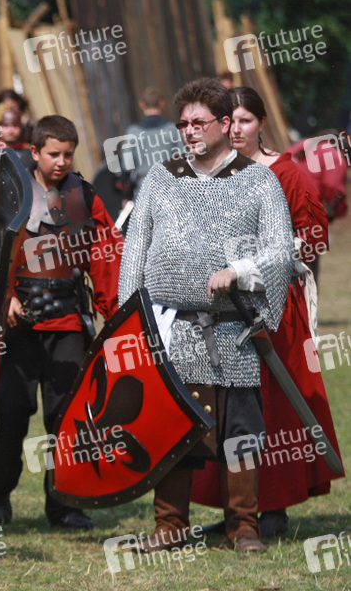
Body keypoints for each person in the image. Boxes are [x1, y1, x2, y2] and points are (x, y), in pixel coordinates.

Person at [120, 78, 294, 553]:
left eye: (199, 122)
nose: (189, 131)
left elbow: (280, 251)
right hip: (173, 328)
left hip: (234, 329)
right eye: (183, 124)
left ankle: (244, 527)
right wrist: (128, 322)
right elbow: (135, 252)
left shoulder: (258, 180)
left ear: (224, 123)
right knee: (173, 429)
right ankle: (170, 526)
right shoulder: (161, 178)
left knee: (241, 434)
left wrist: (238, 270)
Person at [191, 86, 343, 537]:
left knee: (273, 405)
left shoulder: (285, 172)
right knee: (224, 404)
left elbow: (314, 236)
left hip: (274, 307)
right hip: (223, 308)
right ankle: (236, 509)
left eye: (246, 120)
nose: (237, 129)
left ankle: (272, 507)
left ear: (261, 124)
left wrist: (262, 258)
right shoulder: (213, 173)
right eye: (230, 121)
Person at [0, 115, 123, 530]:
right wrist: (1, 299)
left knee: (69, 418)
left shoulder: (85, 196)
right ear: (35, 152)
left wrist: (115, 315)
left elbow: (106, 258)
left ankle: (64, 503)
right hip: (16, 325)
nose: (61, 162)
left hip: (67, 322)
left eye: (67, 155)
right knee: (8, 415)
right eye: (53, 154)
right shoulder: (8, 191)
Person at [122, 87, 183, 194]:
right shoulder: (173, 129)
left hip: (144, 188)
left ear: (141, 104)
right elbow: (183, 158)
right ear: (162, 103)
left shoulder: (133, 132)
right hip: (171, 187)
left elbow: (127, 165)